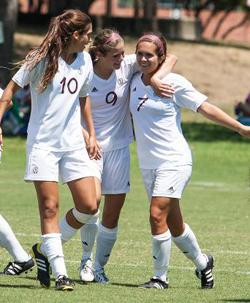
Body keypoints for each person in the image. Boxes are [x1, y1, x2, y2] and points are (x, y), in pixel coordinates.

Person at [129, 33, 250, 289]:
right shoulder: (134, 77)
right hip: (148, 163)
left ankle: (159, 278)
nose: (142, 58)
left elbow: (204, 107)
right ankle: (203, 262)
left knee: (155, 214)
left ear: (159, 57)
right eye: (139, 53)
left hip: (174, 159)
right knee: (174, 224)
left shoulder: (174, 83)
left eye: (149, 55)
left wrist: (239, 127)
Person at [0, 9, 99, 291]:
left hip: (72, 144)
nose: (89, 40)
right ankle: (60, 273)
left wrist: (90, 134)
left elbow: (83, 100)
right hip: (43, 145)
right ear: (75, 35)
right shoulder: (40, 59)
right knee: (50, 207)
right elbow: (9, 93)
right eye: (87, 35)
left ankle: (44, 250)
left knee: (89, 205)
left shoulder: (85, 62)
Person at [75, 29, 177, 284]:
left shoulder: (126, 64)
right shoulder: (83, 68)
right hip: (89, 146)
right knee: (91, 203)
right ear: (99, 55)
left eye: (123, 53)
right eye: (117, 55)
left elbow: (171, 57)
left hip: (119, 147)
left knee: (112, 214)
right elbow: (65, 108)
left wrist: (156, 79)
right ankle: (85, 258)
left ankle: (98, 268)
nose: (124, 59)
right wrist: (88, 135)